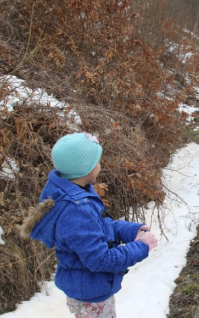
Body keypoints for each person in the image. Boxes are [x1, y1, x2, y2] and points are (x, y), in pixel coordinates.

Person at [20, 132, 158, 318]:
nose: (100, 166)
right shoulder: (77, 210)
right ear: (86, 170)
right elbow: (101, 259)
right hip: (91, 297)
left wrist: (132, 230)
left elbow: (102, 226)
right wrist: (141, 246)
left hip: (89, 288)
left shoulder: (74, 191)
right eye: (97, 162)